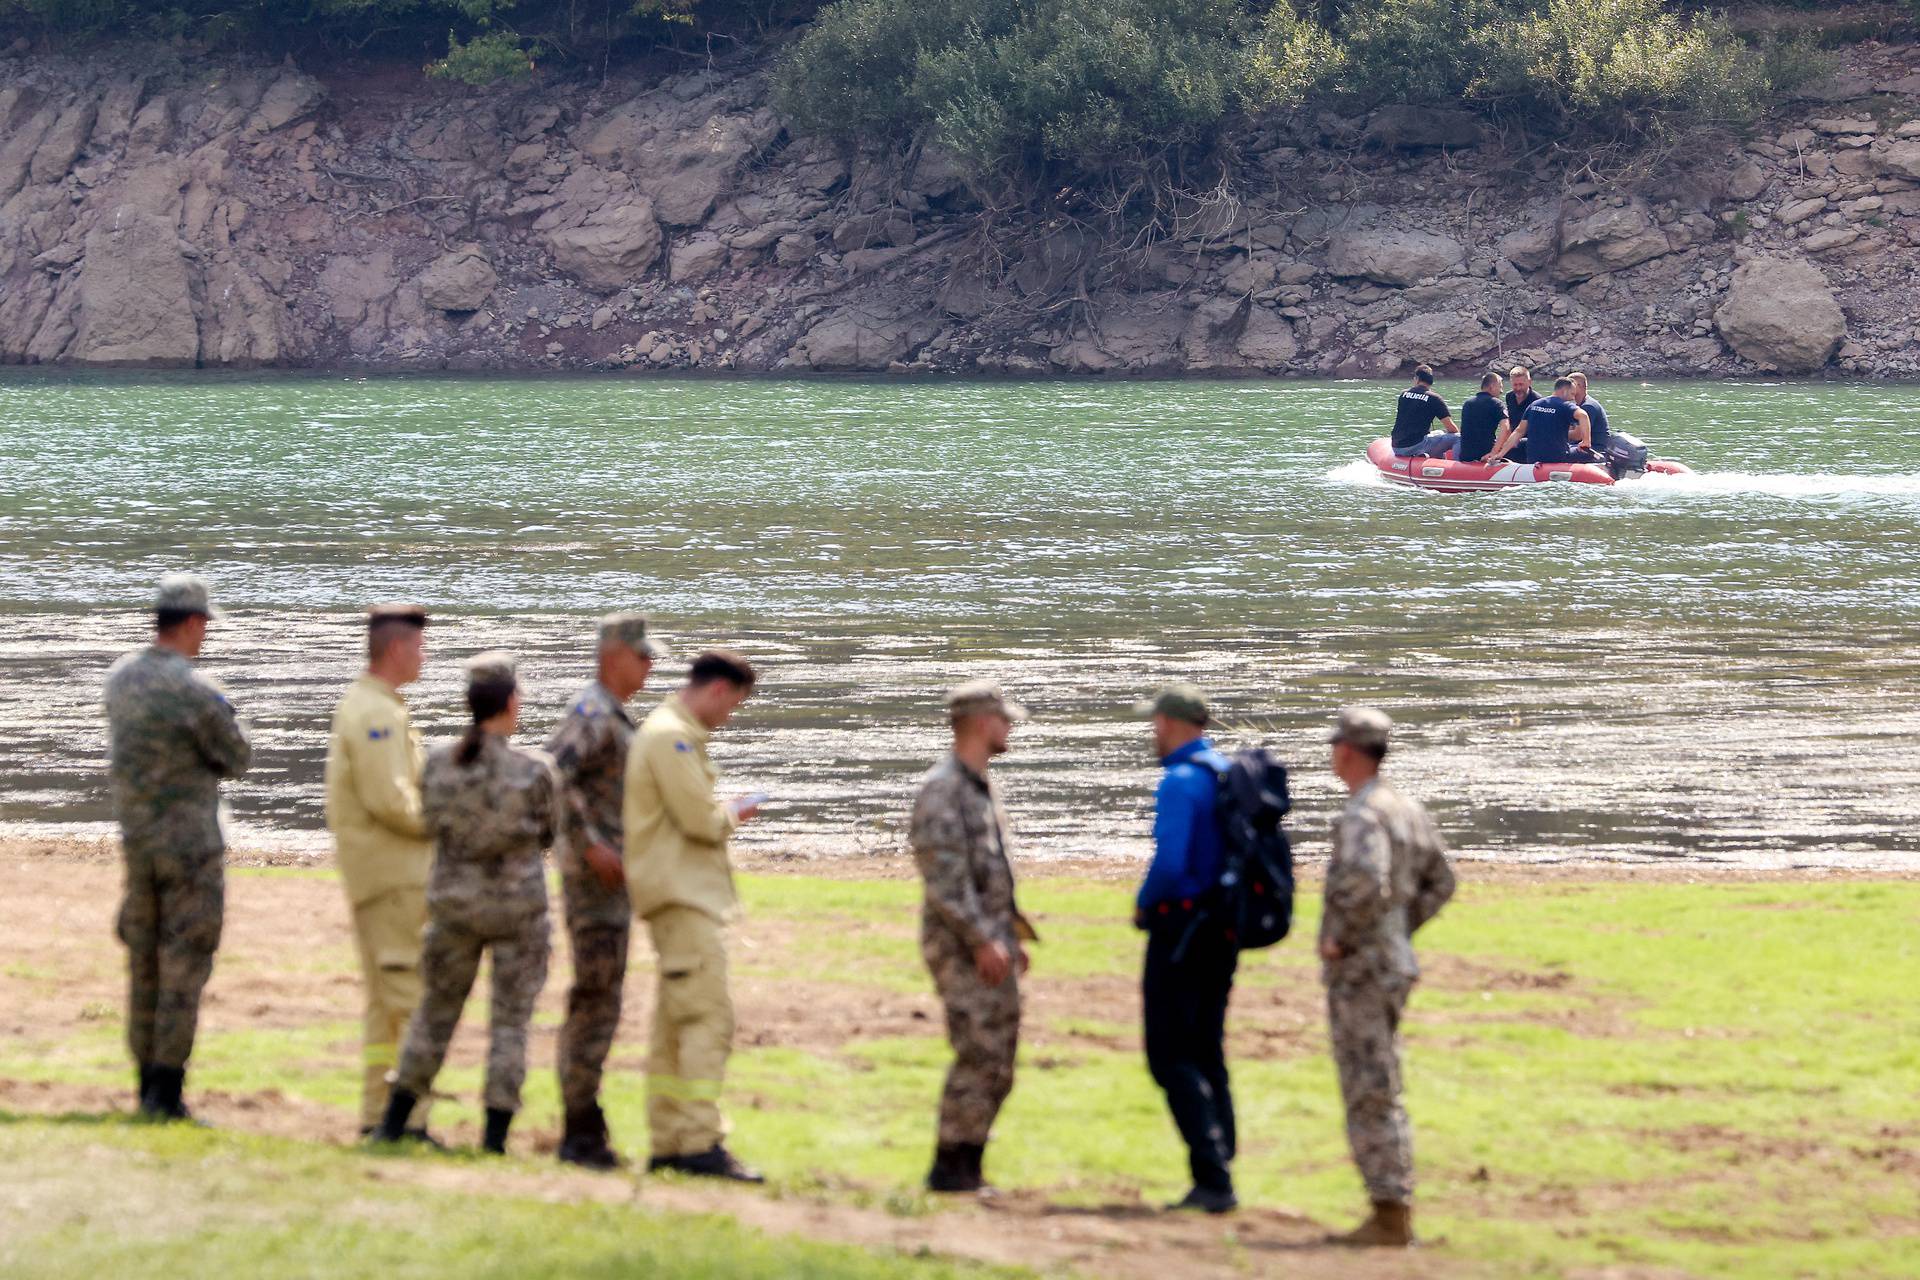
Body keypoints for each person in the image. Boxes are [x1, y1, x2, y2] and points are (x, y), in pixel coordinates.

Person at [374, 652, 556, 1156]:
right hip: (519, 908)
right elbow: (548, 833)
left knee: (434, 1012)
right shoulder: (534, 770)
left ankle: (394, 1121)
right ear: (512, 702)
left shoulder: (438, 764)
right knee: (511, 1022)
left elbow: (430, 821)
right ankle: (495, 1138)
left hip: (454, 901)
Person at [103, 573, 252, 1122]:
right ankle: (169, 1090)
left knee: (144, 962)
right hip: (190, 848)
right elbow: (236, 757)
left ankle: (144, 1083)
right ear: (193, 624)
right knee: (184, 964)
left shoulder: (121, 679)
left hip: (138, 842)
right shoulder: (195, 688)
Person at [624, 648, 763, 1182]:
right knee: (708, 1018)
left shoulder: (667, 733)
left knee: (674, 1024)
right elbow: (698, 821)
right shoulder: (672, 736)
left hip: (675, 895)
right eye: (733, 705)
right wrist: (737, 811)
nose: (729, 716)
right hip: (684, 898)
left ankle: (669, 1140)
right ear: (717, 691)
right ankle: (700, 1140)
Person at [1320, 708, 1456, 1248]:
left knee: (1368, 1085)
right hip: (1394, 962)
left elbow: (1366, 881)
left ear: (1347, 751)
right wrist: (1400, 932)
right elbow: (1441, 881)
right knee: (1383, 1079)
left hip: (1362, 970)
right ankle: (1390, 1205)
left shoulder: (1363, 814)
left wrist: (1345, 938)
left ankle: (1389, 1209)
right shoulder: (1407, 808)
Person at [545, 612, 669, 1170]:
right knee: (595, 999)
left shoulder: (613, 716)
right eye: (642, 657)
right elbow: (553, 776)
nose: (650, 667)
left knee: (604, 998)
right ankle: (579, 1129)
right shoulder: (592, 713)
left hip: (611, 882)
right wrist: (590, 843)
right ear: (612, 656)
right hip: (593, 883)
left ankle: (585, 1122)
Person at [909, 681, 1036, 1195]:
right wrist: (982, 939)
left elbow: (989, 873)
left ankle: (970, 1163)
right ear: (983, 721)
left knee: (999, 1055)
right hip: (960, 944)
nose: (1010, 729)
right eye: (1004, 720)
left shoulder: (978, 785)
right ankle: (951, 1167)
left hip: (989, 939)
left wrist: (1010, 934)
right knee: (979, 1052)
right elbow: (944, 880)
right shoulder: (944, 789)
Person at [325, 603, 437, 1141]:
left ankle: (377, 1112)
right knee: (406, 996)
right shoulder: (376, 712)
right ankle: (406, 1120)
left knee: (384, 1003)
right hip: (392, 874)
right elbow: (390, 800)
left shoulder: (377, 705)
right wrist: (445, 825)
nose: (424, 655)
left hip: (383, 872)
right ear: (396, 649)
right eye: (418, 645)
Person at [1134, 683, 1239, 1214]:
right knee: (1206, 1045)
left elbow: (1171, 865)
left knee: (1168, 1052)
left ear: (1170, 723)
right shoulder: (1225, 775)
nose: (1153, 733)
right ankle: (1225, 1154)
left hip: (1181, 932)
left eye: (1155, 723)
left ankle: (1212, 1173)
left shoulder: (1178, 782)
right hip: (1223, 931)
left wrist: (1142, 903)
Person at [1487, 376, 1592, 466]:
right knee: (1587, 453)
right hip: (1558, 458)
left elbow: (1518, 432)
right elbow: (1583, 415)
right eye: (1572, 394)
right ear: (1564, 391)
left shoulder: (1534, 404)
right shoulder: (1565, 406)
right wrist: (1586, 441)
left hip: (1533, 458)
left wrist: (1500, 454)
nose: (1572, 398)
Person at [1389, 365, 1460, 459]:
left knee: (1438, 432)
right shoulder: (1434, 398)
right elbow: (1452, 429)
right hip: (1415, 446)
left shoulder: (1403, 395)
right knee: (1459, 437)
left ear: (1417, 379)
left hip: (1397, 446)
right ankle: (1458, 467)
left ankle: (1433, 461)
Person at [1458, 372, 1509, 465]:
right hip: (1485, 457)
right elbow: (1506, 427)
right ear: (1492, 386)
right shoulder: (1497, 403)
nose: (1501, 391)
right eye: (1500, 387)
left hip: (1465, 456)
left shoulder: (1467, 403)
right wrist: (1494, 452)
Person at [1568, 371, 1611, 453]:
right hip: (1580, 445)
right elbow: (1570, 427)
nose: (1566, 389)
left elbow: (1578, 435)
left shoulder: (1588, 406)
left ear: (1579, 386)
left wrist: (1557, 433)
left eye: (1569, 386)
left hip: (1596, 448)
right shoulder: (1579, 405)